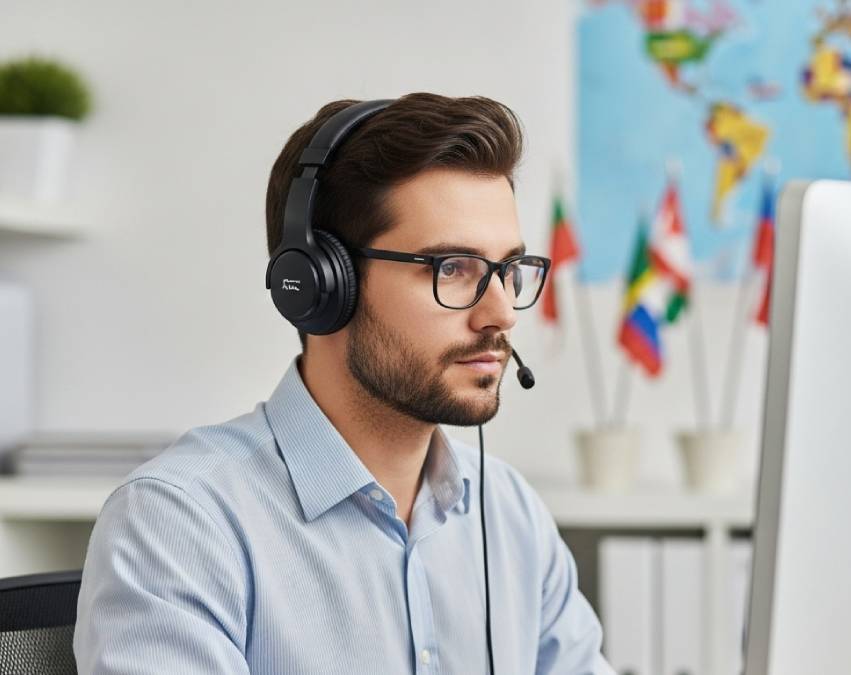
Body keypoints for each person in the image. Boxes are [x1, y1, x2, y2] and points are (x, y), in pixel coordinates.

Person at [74, 93, 614, 674]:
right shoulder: (182, 525)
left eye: (508, 269)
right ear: (320, 286)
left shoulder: (508, 514)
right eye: (452, 268)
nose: (502, 314)